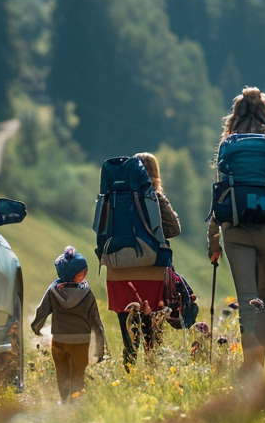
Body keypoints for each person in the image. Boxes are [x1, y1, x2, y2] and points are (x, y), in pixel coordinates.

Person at [207, 88, 265, 374]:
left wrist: (212, 237)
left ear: (234, 115)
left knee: (248, 298)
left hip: (235, 229)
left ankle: (251, 367)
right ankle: (260, 357)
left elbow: (219, 194)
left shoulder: (227, 145)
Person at [106, 152, 181, 368]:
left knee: (128, 324)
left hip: (119, 270)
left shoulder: (113, 197)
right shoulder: (156, 198)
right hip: (152, 270)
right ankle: (152, 369)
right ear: (155, 174)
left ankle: (129, 365)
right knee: (153, 330)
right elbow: (175, 229)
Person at [31, 246, 107, 401]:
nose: (86, 274)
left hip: (59, 340)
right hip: (81, 342)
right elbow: (95, 322)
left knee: (62, 372)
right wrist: (100, 348)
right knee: (79, 372)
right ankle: (76, 401)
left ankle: (64, 400)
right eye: (83, 273)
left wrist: (36, 327)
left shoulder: (53, 291)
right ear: (77, 275)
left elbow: (42, 310)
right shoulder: (87, 294)